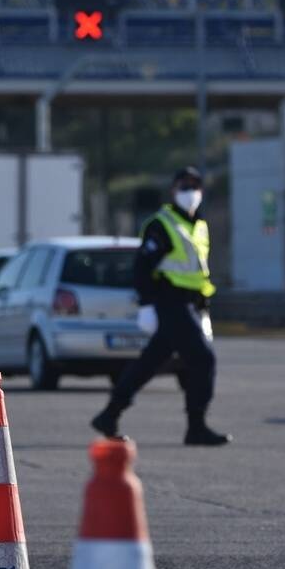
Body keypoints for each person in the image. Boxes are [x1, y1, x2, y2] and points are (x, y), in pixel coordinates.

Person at [91, 166, 231, 447]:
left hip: (190, 304)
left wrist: (203, 303)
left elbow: (196, 270)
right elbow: (142, 268)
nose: (190, 193)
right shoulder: (162, 224)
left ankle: (109, 414)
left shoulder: (199, 225)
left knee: (150, 362)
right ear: (173, 190)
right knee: (203, 359)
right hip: (171, 302)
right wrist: (146, 305)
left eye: (195, 186)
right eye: (184, 187)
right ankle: (196, 427)